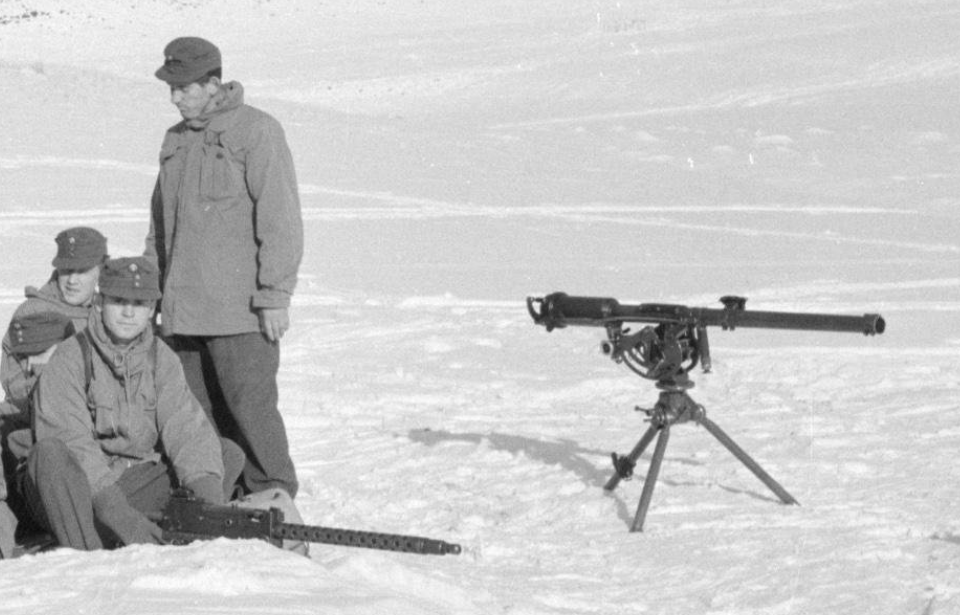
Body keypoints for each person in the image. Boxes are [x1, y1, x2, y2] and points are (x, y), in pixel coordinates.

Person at [145, 36, 303, 505]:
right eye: (171, 89)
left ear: (213, 84)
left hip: (240, 313)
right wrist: (150, 295)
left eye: (185, 88)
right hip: (182, 312)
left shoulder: (256, 130)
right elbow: (159, 226)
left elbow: (280, 218)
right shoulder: (174, 140)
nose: (176, 98)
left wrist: (275, 294)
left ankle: (275, 502)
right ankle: (221, 504)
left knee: (251, 413)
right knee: (197, 417)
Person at [20, 257, 243, 550]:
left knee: (223, 454)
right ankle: (89, 549)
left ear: (151, 310)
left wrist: (210, 505)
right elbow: (70, 439)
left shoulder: (161, 358)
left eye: (139, 304)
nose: (128, 313)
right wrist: (117, 512)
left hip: (131, 482)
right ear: (100, 303)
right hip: (78, 492)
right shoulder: (70, 357)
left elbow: (186, 427)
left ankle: (189, 531)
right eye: (119, 301)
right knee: (49, 454)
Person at [1, 227, 107, 425]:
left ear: (101, 270)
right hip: (36, 423)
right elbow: (19, 390)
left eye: (82, 270)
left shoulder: (109, 313)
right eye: (66, 270)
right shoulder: (37, 314)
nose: (72, 280)